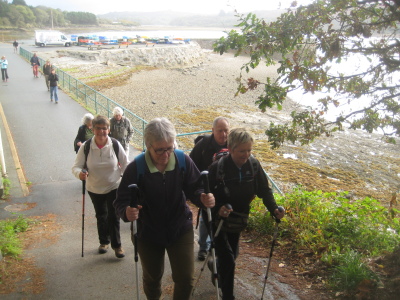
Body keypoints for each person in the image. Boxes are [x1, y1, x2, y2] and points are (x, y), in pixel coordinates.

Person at [113, 117, 215, 300]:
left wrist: (202, 197)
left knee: (185, 278)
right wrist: (126, 212)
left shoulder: (182, 160)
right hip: (148, 232)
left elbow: (195, 187)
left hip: (179, 228)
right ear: (148, 145)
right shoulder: (136, 168)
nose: (166, 154)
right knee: (152, 279)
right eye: (160, 150)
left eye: (170, 148)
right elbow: (121, 200)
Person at [207, 128, 285, 300]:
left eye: (249, 150)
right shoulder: (217, 168)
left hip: (238, 219)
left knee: (231, 255)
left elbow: (264, 190)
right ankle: (228, 296)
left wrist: (274, 209)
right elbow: (206, 196)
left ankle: (215, 266)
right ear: (231, 148)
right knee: (228, 259)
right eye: (242, 151)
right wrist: (218, 207)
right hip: (217, 220)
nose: (246, 154)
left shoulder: (254, 165)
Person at [72, 115, 129, 258]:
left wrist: (126, 182)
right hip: (94, 188)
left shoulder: (115, 144)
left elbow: (126, 164)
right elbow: (76, 166)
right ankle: (104, 242)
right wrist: (80, 174)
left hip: (113, 185)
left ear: (109, 130)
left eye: (104, 128)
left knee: (113, 216)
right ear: (93, 129)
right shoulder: (86, 146)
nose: (101, 131)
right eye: (98, 128)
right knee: (101, 215)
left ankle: (117, 246)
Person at [189, 116, 230, 261]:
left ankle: (217, 247)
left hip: (224, 189)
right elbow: (191, 163)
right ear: (213, 130)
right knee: (206, 215)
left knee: (221, 218)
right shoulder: (204, 144)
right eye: (220, 131)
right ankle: (204, 247)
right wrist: (197, 185)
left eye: (226, 131)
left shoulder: (232, 144)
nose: (223, 134)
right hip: (206, 187)